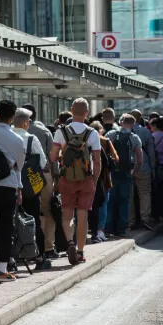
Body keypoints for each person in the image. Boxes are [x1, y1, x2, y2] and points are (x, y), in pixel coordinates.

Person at [50, 98, 102, 265]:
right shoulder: (92, 133)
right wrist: (94, 179)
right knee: (83, 215)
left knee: (67, 215)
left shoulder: (61, 132)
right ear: (87, 113)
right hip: (86, 178)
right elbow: (97, 161)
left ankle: (70, 242)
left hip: (67, 178)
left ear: (71, 111)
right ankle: (80, 252)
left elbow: (53, 157)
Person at [0, 100, 25, 281]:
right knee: (5, 228)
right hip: (8, 186)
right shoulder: (17, 139)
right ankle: (1, 269)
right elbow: (19, 165)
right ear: (12, 117)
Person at [13, 108, 52, 269]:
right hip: (29, 188)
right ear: (25, 123)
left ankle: (10, 259)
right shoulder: (31, 139)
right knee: (33, 219)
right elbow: (43, 163)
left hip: (9, 185)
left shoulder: (7, 136)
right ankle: (39, 257)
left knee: (10, 222)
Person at [22, 103, 58, 260]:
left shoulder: (14, 131)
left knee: (25, 211)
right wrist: (56, 177)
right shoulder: (44, 131)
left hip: (22, 176)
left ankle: (25, 246)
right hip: (43, 175)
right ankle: (48, 246)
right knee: (47, 210)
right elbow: (52, 157)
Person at [107, 114, 143, 237]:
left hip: (112, 172)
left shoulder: (111, 134)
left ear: (121, 122)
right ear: (133, 124)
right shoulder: (134, 138)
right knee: (124, 201)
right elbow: (140, 160)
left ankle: (108, 228)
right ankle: (122, 229)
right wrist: (134, 171)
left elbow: (103, 151)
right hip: (126, 173)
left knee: (111, 200)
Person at [88, 121, 117, 243]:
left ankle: (80, 232)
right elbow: (115, 158)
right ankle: (100, 230)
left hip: (82, 176)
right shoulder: (105, 141)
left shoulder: (84, 140)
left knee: (83, 205)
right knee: (102, 204)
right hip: (102, 177)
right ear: (100, 130)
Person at [128, 110, 156, 230]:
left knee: (129, 195)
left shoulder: (122, 131)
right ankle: (145, 219)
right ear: (140, 119)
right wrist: (153, 169)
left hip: (128, 167)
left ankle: (130, 221)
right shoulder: (146, 132)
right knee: (144, 193)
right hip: (143, 166)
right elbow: (151, 152)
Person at [151, 117, 163, 222]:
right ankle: (162, 213)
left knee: (154, 191)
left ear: (154, 125)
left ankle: (155, 214)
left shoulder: (151, 137)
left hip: (155, 166)